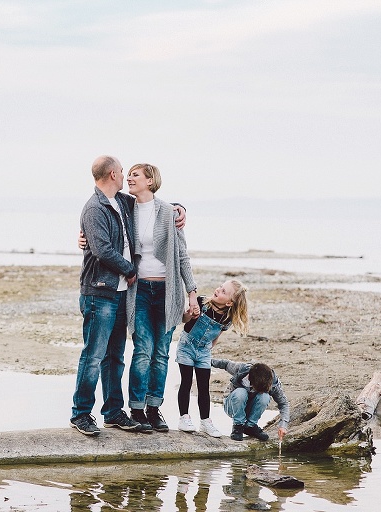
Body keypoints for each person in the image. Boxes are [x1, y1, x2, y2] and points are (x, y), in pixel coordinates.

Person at [71, 155, 185, 437]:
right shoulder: (94, 207)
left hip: (122, 294)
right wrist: (131, 269)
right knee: (93, 356)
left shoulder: (122, 202)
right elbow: (102, 250)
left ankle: (112, 413)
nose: (125, 176)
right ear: (112, 174)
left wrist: (180, 209)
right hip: (100, 292)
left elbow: (154, 205)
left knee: (115, 357)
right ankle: (81, 414)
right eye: (123, 172)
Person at [124, 163, 198, 433]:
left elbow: (182, 255)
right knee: (143, 350)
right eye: (128, 174)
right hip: (139, 291)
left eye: (135, 175)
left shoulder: (168, 212)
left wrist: (192, 293)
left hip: (168, 293)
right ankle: (136, 408)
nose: (129, 178)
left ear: (150, 180)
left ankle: (154, 409)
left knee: (161, 354)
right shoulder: (125, 208)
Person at [175, 279, 249, 437]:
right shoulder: (202, 302)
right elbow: (184, 320)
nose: (218, 290)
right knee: (186, 382)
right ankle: (184, 418)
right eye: (220, 287)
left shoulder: (226, 319)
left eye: (223, 291)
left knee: (203, 387)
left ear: (230, 303)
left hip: (203, 352)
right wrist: (190, 314)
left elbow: (216, 336)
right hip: (186, 346)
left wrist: (208, 349)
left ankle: (205, 421)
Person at [210, 358, 290, 442]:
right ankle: (238, 426)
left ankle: (250, 426)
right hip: (233, 406)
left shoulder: (273, 382)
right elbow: (224, 364)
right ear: (249, 379)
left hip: (251, 408)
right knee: (241, 392)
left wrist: (283, 426)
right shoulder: (241, 369)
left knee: (265, 396)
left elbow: (284, 404)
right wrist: (207, 361)